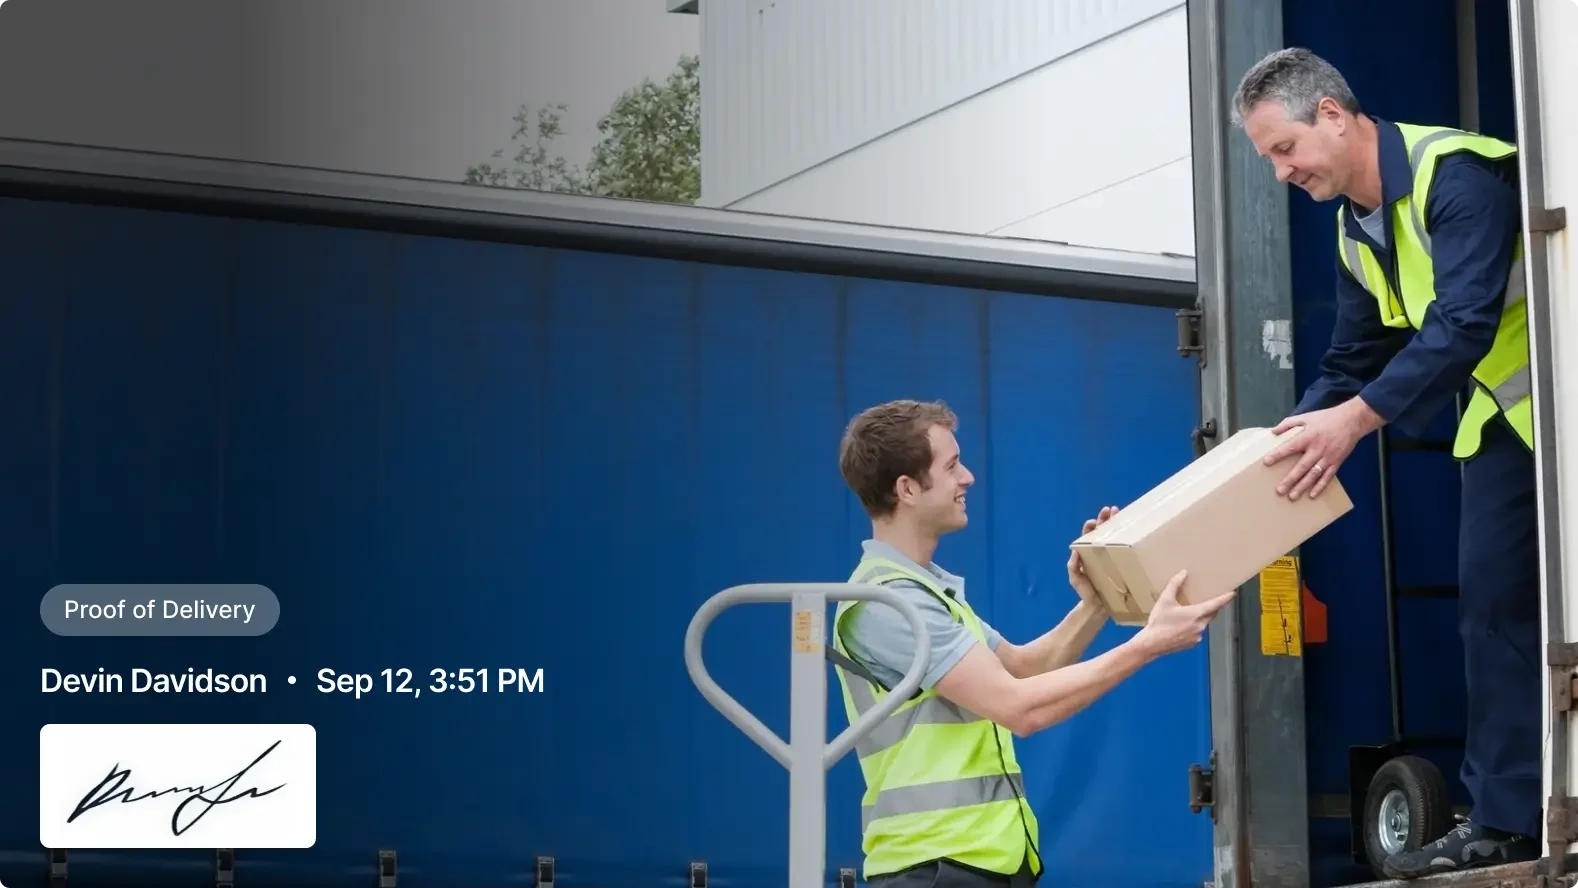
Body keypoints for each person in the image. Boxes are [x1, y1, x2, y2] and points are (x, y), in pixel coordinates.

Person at [1231, 48, 1539, 879]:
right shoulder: (1355, 229)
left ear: (1333, 114)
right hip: (1509, 423)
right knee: (1494, 612)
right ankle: (1512, 819)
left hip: (1559, 407)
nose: (1280, 171)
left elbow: (1463, 325)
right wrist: (1283, 444)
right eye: (1268, 159)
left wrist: (1353, 427)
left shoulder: (1457, 176)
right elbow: (1350, 359)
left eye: (1283, 149)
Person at [829, 398, 1236, 887]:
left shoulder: (922, 592)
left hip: (978, 863)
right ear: (908, 488)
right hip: (937, 867)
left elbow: (1024, 669)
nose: (968, 478)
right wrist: (1149, 644)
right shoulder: (889, 605)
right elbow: (1019, 708)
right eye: (953, 466)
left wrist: (1100, 598)